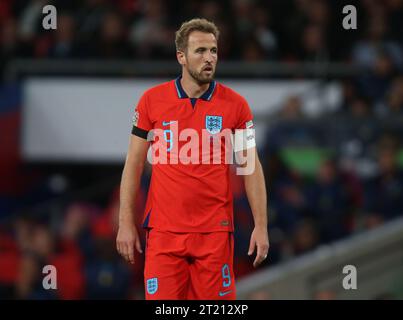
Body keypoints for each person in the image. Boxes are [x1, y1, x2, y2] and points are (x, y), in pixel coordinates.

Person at [116, 18, 269, 300]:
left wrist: (261, 225)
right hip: (164, 233)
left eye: (213, 51)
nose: (209, 58)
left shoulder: (237, 106)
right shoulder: (152, 101)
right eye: (200, 51)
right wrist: (126, 222)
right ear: (181, 57)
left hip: (215, 233)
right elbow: (134, 164)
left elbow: (250, 167)